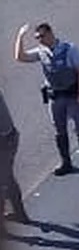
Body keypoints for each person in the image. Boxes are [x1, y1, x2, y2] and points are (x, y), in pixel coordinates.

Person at [13, 22, 79, 176]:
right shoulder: (41, 52)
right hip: (55, 97)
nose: (40, 40)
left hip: (71, 95)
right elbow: (20, 57)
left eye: (42, 36)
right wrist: (20, 36)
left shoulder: (69, 49)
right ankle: (66, 163)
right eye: (37, 38)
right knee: (59, 130)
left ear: (50, 33)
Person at [0, 86, 28, 225]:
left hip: (4, 142)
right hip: (9, 138)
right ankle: (20, 214)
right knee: (8, 179)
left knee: (5, 181)